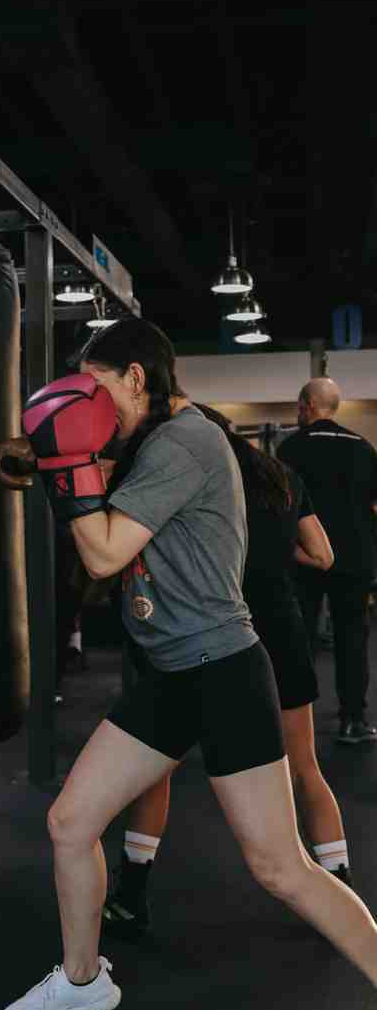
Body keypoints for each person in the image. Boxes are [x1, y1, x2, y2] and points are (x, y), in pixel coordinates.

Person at [2, 318, 377, 1010]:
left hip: (222, 671)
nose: (93, 405)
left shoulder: (184, 442)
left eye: (99, 388)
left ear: (136, 378)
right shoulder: (151, 442)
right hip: (172, 673)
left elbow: (103, 555)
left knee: (281, 868)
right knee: (71, 823)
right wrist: (53, 459)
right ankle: (81, 980)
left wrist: (66, 465)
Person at [102, 404, 352, 944]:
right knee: (304, 766)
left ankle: (130, 895)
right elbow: (323, 555)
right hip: (277, 630)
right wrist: (273, 557)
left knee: (156, 773)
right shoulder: (281, 478)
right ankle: (339, 889)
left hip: (206, 636)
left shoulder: (183, 472)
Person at [277, 378, 377, 743]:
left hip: (306, 558)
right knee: (353, 637)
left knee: (298, 638)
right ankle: (353, 720)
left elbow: (279, 508)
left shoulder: (290, 449)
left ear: (306, 405)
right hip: (354, 561)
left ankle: (294, 724)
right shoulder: (363, 448)